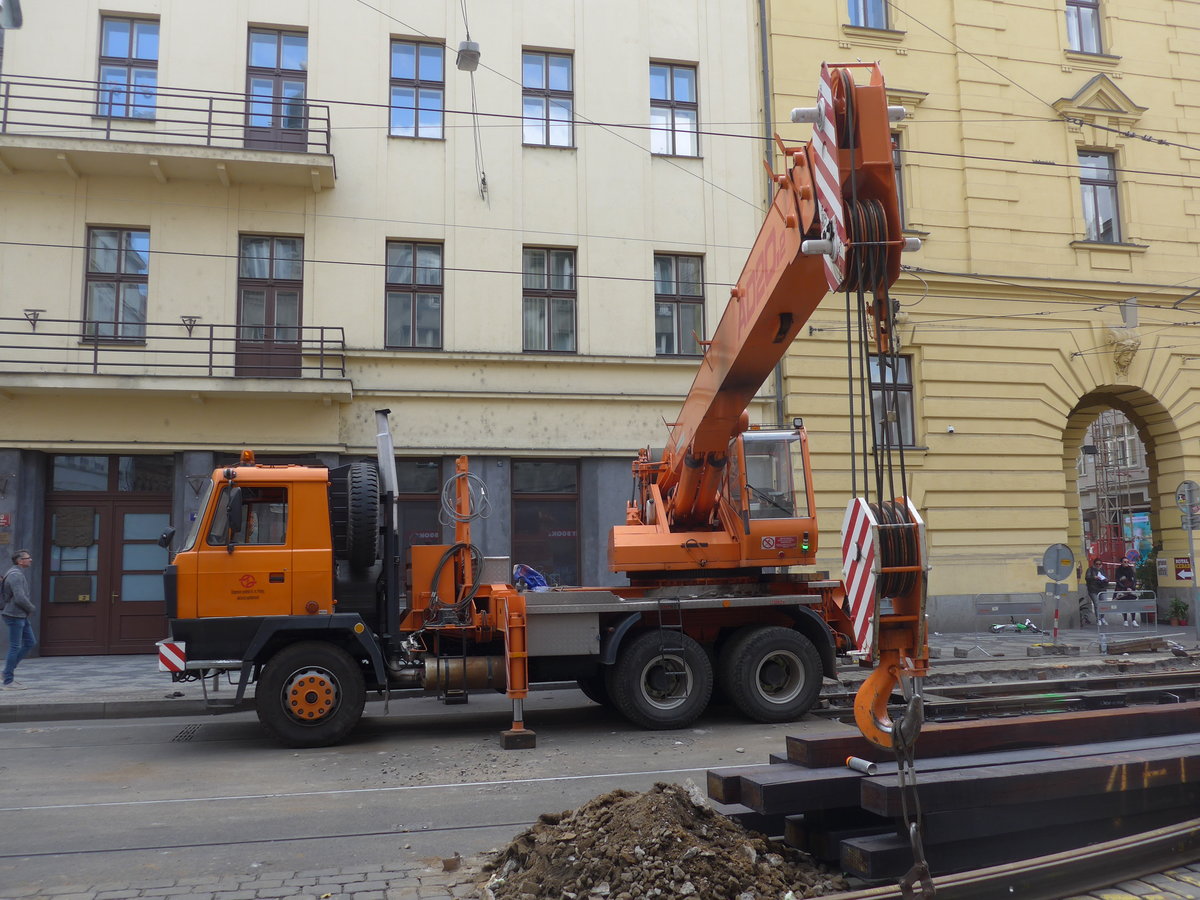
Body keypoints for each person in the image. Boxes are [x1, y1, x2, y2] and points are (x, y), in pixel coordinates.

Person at [2, 549, 37, 689]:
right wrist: (31, 608)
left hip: (20, 615)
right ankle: (8, 681)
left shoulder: (16, 573)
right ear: (20, 561)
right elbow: (19, 597)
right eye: (28, 558)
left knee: (30, 642)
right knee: (14, 647)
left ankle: (6, 672)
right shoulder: (16, 575)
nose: (30, 560)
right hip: (14, 615)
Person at [1084, 558, 1108, 626]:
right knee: (1097, 604)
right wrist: (1094, 577)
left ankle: (1102, 617)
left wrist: (1106, 579)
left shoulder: (1102, 570)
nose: (1098, 565)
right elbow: (1087, 578)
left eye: (1099, 564)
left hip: (1102, 589)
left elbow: (1106, 578)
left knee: (1104, 603)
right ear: (1094, 564)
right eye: (1096, 564)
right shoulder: (1090, 570)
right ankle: (1098, 619)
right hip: (1093, 589)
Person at [1114, 560, 1138, 627]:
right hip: (1122, 590)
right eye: (1124, 562)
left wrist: (1131, 588)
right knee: (1124, 605)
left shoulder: (1131, 570)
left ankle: (1133, 620)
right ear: (1121, 562)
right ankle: (1125, 620)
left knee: (1132, 605)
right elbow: (1118, 581)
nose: (1126, 563)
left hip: (1131, 590)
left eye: (1127, 562)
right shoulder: (1118, 571)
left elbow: (1134, 580)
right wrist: (1125, 588)